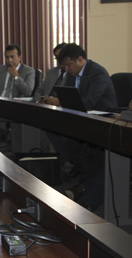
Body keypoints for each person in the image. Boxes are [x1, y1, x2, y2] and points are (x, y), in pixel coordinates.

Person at [44, 43, 117, 211]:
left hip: (103, 118)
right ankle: (82, 167)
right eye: (65, 66)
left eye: (69, 65)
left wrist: (61, 101)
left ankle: (86, 172)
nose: (67, 69)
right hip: (81, 117)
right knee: (53, 129)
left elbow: (90, 102)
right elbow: (68, 95)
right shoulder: (72, 73)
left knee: (71, 137)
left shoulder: (97, 72)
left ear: (81, 59)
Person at [0, 44, 36, 149]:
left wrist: (16, 77)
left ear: (20, 57)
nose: (9, 60)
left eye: (12, 57)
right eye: (7, 57)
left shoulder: (28, 71)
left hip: (16, 107)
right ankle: (0, 141)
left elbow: (28, 92)